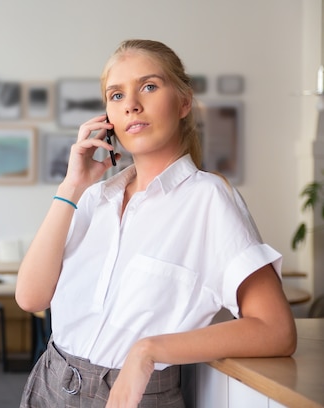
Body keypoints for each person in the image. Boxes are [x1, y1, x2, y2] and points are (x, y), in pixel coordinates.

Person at [15, 39, 297, 408]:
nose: (131, 103)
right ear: (106, 119)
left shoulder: (208, 199)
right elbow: (30, 297)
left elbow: (276, 330)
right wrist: (72, 186)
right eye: (116, 95)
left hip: (135, 395)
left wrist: (147, 352)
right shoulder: (94, 199)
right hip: (49, 386)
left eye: (148, 86)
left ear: (183, 103)